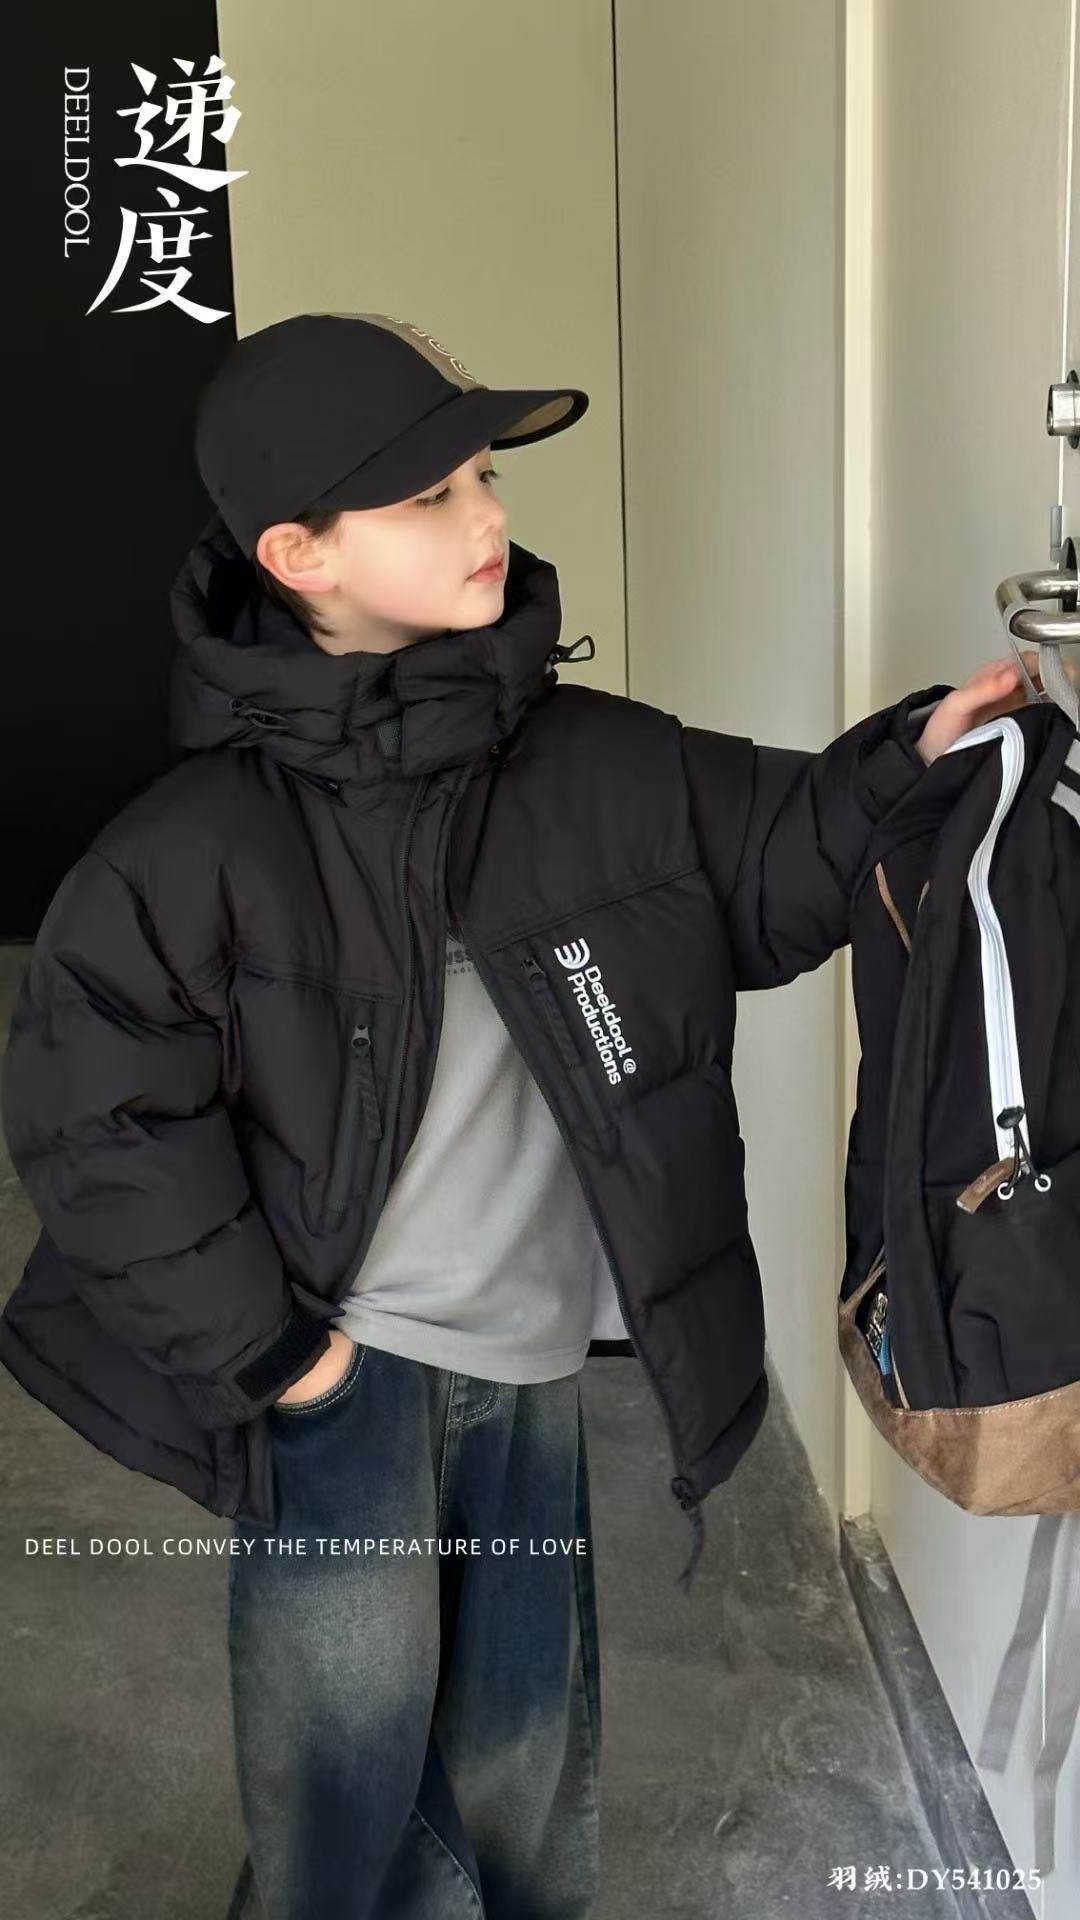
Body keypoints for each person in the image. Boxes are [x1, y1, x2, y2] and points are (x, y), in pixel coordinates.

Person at [0, 312, 1041, 1920]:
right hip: (340, 1375)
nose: (488, 516)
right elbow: (99, 1120)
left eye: (485, 476)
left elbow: (775, 864)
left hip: (532, 1366)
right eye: (431, 496)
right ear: (300, 554)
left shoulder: (593, 766)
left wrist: (911, 763)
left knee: (522, 1746)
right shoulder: (194, 847)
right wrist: (285, 1360)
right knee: (341, 1767)